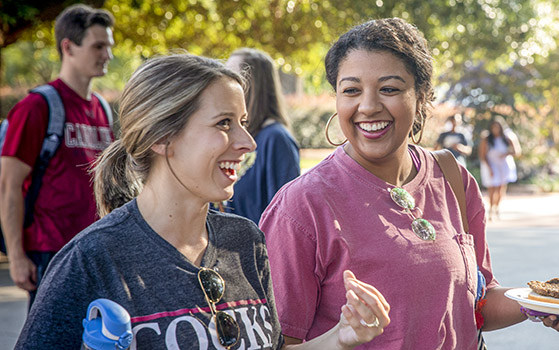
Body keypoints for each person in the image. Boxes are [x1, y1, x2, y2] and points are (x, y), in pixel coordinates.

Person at [259, 18, 559, 349]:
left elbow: (475, 305)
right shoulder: (302, 206)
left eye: (389, 88)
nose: (369, 106)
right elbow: (278, 343)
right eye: (351, 90)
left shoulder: (453, 177)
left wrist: (542, 301)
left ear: (421, 97)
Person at [16, 54, 390, 349]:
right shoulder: (90, 260)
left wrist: (343, 335)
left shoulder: (246, 241)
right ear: (161, 137)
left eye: (242, 121)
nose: (248, 142)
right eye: (224, 123)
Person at [0, 4, 115, 307]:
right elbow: (8, 186)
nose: (108, 55)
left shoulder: (103, 110)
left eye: (109, 46)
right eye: (98, 46)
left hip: (97, 249)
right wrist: (16, 256)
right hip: (51, 253)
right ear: (69, 47)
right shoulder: (37, 107)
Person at [224, 48, 301, 224]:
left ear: (254, 84)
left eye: (232, 76)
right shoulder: (230, 137)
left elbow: (286, 215)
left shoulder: (276, 139)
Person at [478, 115, 520, 220]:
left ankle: (497, 209)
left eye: (497, 127)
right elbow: (482, 155)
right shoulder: (487, 139)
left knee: (501, 189)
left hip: (503, 165)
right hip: (491, 165)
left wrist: (506, 154)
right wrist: (490, 168)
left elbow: (517, 151)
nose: (495, 130)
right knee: (491, 189)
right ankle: (491, 209)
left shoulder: (507, 137)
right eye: (493, 127)